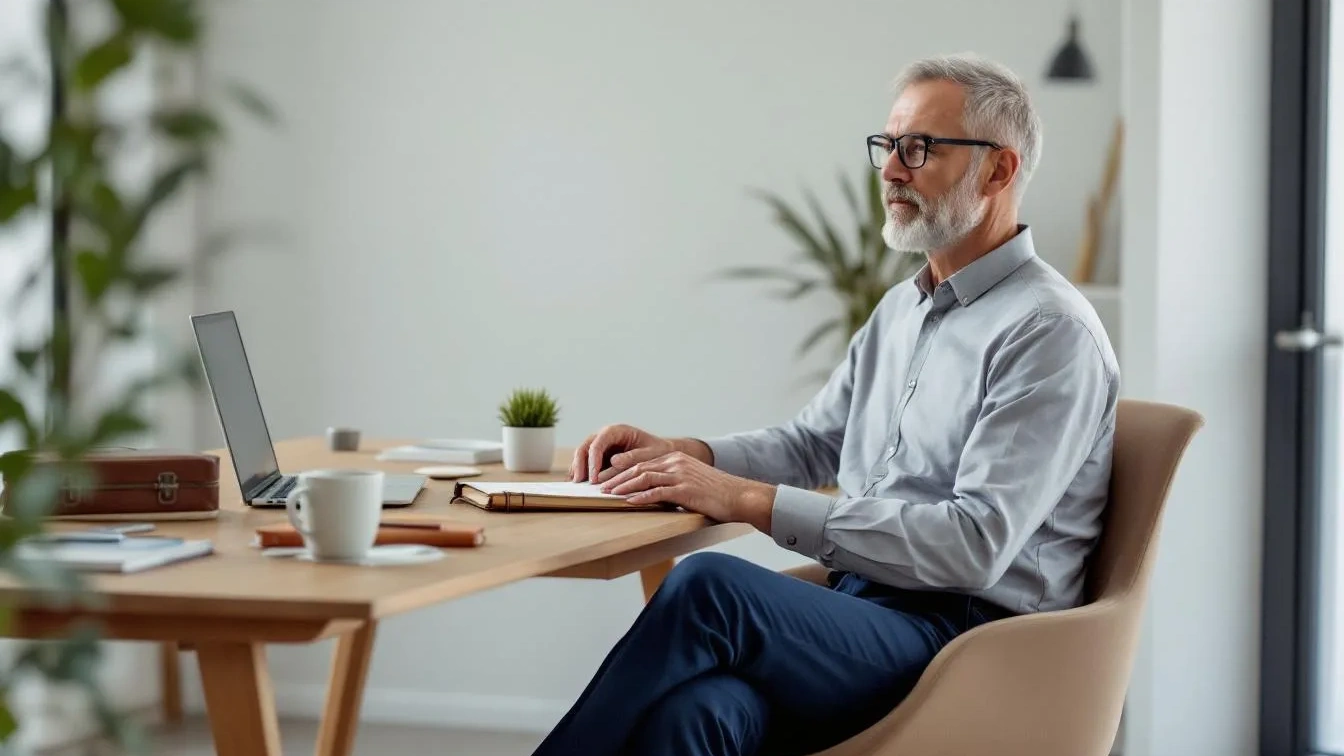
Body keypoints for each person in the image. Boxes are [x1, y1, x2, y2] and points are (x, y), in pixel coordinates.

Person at [531, 52, 1120, 756]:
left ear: (998, 170)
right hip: (862, 615)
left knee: (709, 586)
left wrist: (746, 499)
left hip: (968, 643)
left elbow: (973, 547)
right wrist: (691, 456)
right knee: (698, 714)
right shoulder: (903, 310)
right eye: (888, 146)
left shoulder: (1048, 331)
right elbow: (814, 444)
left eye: (919, 148)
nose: (892, 171)